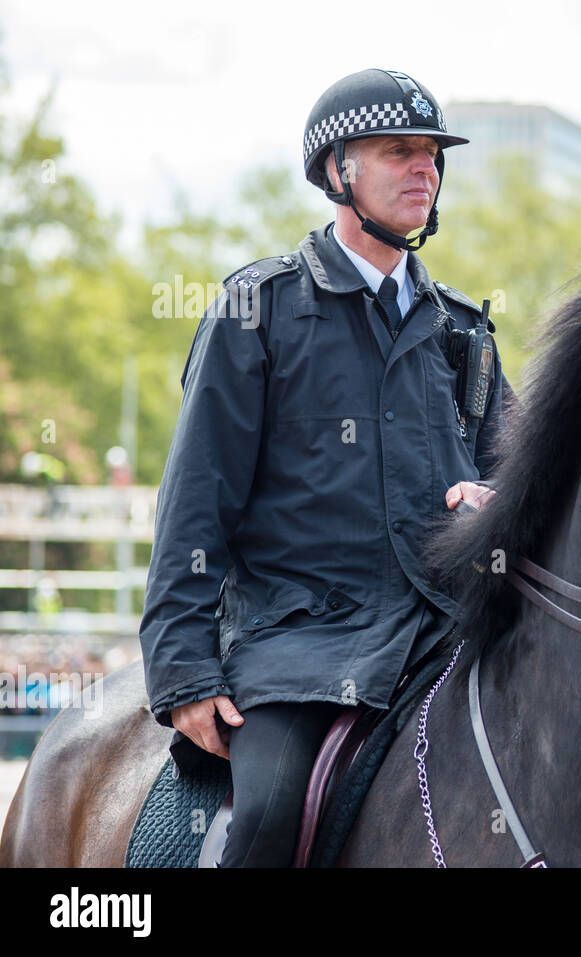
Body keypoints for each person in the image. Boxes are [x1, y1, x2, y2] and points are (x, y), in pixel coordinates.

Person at [138, 68, 513, 866]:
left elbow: (519, 479)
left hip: (445, 628)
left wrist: (498, 503)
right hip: (298, 643)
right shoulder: (257, 312)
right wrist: (182, 669)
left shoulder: (468, 332)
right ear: (338, 172)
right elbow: (193, 502)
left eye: (433, 155)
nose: (425, 169)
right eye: (400, 151)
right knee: (268, 817)